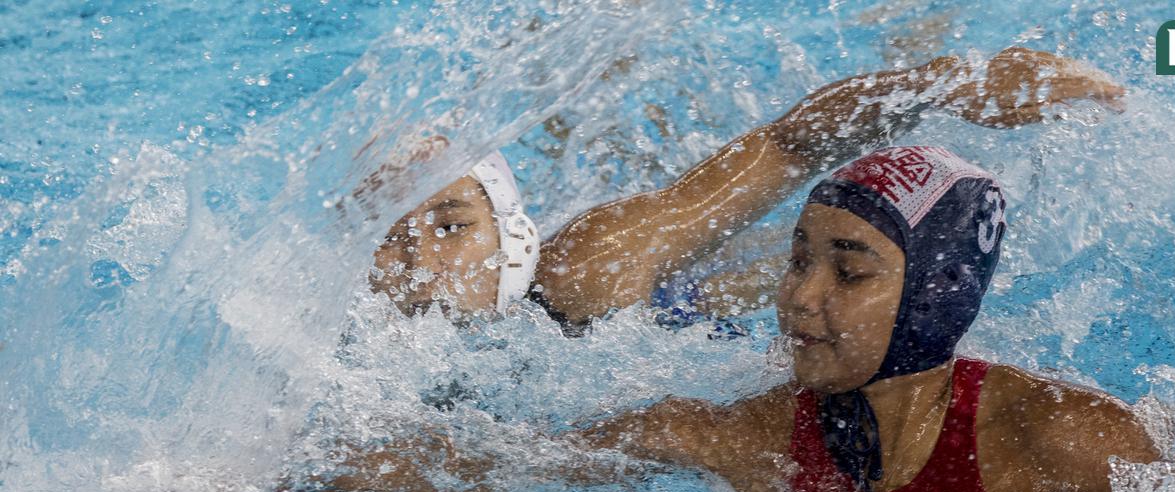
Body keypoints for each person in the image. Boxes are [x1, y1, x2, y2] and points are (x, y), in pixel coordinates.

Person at [330, 145, 1163, 492]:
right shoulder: (746, 437)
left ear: (936, 292)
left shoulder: (1072, 441)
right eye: (798, 259)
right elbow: (486, 465)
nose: (800, 297)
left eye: (848, 270)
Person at [367, 48, 1125, 332]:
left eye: (449, 224)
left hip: (669, 312)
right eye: (389, 235)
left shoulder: (582, 268)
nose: (422, 260)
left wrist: (945, 82)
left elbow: (781, 145)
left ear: (509, 230)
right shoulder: (327, 343)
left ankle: (914, 32)